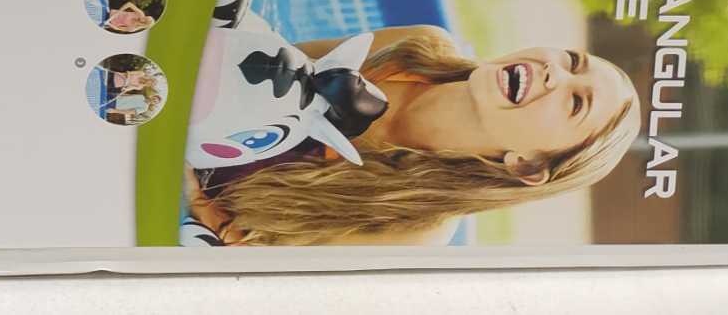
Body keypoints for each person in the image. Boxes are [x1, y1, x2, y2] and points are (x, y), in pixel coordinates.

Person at [184, 26, 639, 246]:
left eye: (575, 102)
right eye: (571, 61)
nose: (555, 72)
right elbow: (263, 65)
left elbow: (242, 255)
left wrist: (189, 188)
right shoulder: (417, 48)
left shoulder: (417, 228)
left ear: (529, 163)